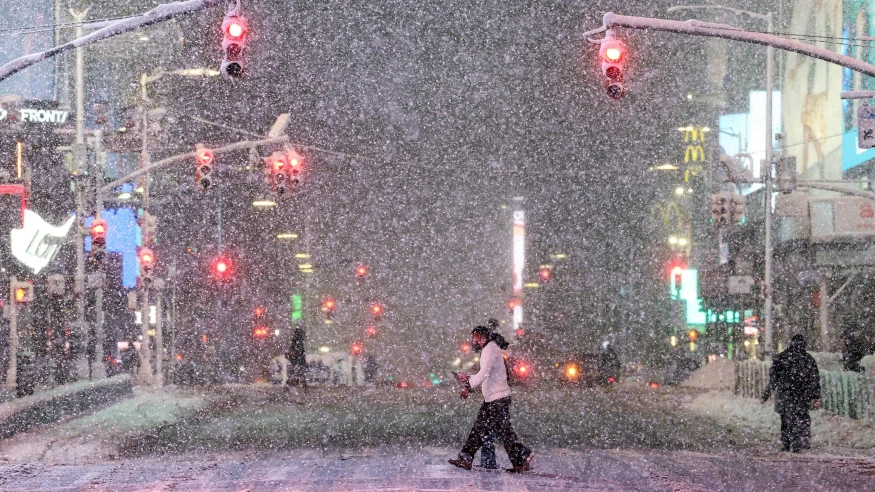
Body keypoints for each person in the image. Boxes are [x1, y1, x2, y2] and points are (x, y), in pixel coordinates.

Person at [449, 325, 534, 472]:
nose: (475, 341)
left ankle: (522, 457)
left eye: (477, 337)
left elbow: (484, 373)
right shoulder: (490, 348)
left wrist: (468, 387)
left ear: (484, 337)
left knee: (496, 431)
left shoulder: (490, 349)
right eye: (474, 338)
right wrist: (467, 378)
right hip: (494, 399)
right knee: (486, 430)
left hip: (497, 399)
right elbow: (485, 374)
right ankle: (520, 459)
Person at [761, 334, 821, 453]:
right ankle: (800, 440)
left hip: (784, 394)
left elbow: (773, 379)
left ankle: (787, 443)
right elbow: (814, 379)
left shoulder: (781, 357)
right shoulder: (808, 359)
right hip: (801, 395)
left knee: (786, 419)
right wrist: (815, 396)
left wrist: (766, 394)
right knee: (801, 417)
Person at [286, 324, 307, 388]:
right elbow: (300, 351)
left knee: (296, 374)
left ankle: (289, 385)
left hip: (296, 360)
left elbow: (294, 350)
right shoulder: (299, 342)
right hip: (298, 360)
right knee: (300, 374)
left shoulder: (295, 341)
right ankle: (303, 386)